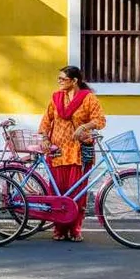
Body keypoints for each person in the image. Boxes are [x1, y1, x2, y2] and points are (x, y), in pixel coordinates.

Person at [38, 65, 106, 242]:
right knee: (58, 191)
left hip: (77, 151)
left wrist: (85, 126)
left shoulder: (88, 98)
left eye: (63, 79)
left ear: (75, 81)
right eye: (58, 78)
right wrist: (45, 138)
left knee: (77, 193)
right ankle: (59, 229)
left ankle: (75, 229)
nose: (59, 81)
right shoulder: (56, 98)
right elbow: (47, 120)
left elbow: (99, 120)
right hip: (58, 151)